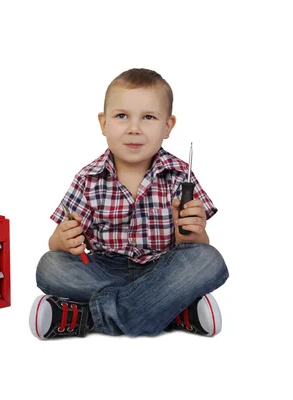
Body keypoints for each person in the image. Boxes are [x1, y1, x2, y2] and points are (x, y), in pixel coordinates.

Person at [29, 68, 229, 340]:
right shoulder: (88, 178)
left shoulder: (180, 175)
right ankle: (170, 310)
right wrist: (62, 240)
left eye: (148, 117)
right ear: (103, 123)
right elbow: (57, 243)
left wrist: (193, 232)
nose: (134, 128)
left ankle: (86, 317)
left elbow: (195, 246)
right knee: (50, 266)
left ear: (167, 126)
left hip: (162, 268)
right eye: (122, 116)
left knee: (208, 260)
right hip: (104, 269)